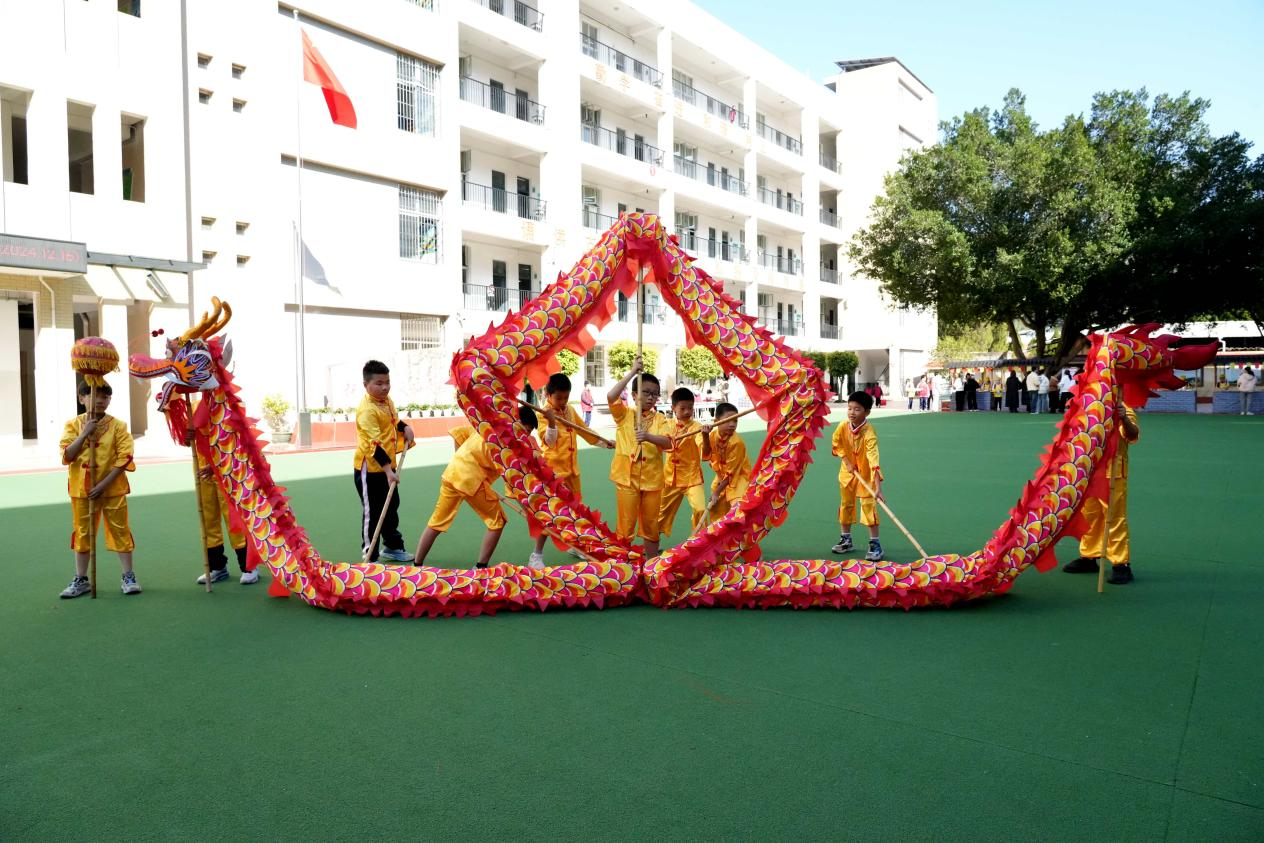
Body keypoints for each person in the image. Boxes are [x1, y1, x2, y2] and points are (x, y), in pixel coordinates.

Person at [415, 407, 539, 570]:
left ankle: (416, 565)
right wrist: (529, 511)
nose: (526, 436)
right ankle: (480, 567)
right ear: (515, 422)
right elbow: (513, 482)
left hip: (453, 473)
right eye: (525, 430)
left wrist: (462, 461)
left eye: (529, 433)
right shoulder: (507, 446)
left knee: (436, 521)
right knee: (498, 521)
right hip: (472, 480)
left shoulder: (486, 424)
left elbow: (459, 433)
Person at [58, 382, 141, 597]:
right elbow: (67, 455)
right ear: (81, 398)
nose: (100, 400)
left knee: (120, 529)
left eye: (105, 397)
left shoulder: (118, 426)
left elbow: (125, 456)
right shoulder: (72, 425)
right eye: (94, 395)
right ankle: (81, 579)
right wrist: (85, 433)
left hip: (112, 489)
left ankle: (128, 575)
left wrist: (104, 484)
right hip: (82, 490)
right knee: (83, 532)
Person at [528, 373, 613, 568]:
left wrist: (604, 443)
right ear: (548, 395)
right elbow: (549, 441)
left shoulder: (570, 410)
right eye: (559, 398)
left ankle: (575, 545)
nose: (563, 402)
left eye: (566, 397)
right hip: (554, 474)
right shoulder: (542, 413)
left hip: (572, 472)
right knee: (550, 515)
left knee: (576, 512)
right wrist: (551, 422)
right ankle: (536, 555)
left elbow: (584, 430)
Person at [1062, 398, 1141, 584]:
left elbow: (1132, 435)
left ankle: (1121, 564)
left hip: (1113, 473)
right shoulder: (1088, 406)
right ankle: (1089, 556)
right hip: (1089, 471)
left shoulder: (1122, 407)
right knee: (1089, 515)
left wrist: (1124, 419)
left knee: (1114, 517)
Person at [607, 357, 673, 557]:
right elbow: (611, 396)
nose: (651, 397)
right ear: (635, 395)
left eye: (655, 394)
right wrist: (632, 372)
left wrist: (648, 437)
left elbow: (669, 443)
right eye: (646, 392)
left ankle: (651, 563)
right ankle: (623, 565)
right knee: (625, 525)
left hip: (652, 480)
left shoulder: (661, 419)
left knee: (651, 524)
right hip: (627, 478)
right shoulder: (624, 414)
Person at [354, 360, 415, 564]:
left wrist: (404, 427)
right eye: (379, 383)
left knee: (391, 507)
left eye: (387, 382)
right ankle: (370, 555)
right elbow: (374, 445)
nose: (385, 387)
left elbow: (393, 421)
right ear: (366, 384)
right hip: (370, 469)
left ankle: (392, 546)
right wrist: (389, 471)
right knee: (373, 512)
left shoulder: (386, 401)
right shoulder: (367, 410)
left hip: (389, 466)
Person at [830, 391, 883, 561]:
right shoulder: (842, 426)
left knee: (868, 506)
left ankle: (875, 544)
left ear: (867, 412)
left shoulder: (869, 432)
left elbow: (873, 458)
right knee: (846, 505)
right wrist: (846, 461)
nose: (852, 412)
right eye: (850, 408)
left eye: (857, 409)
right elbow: (836, 443)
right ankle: (846, 540)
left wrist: (878, 487)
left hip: (866, 476)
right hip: (847, 474)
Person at [194, 445, 257, 585]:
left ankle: (249, 567)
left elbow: (233, 441)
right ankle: (217, 566)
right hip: (202, 469)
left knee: (234, 519)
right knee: (208, 520)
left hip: (226, 468)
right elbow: (188, 441)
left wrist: (215, 465)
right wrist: (187, 437)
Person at [657, 388, 706, 539]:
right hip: (670, 478)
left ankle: (699, 541)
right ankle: (653, 543)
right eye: (683, 408)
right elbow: (661, 444)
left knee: (701, 509)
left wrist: (705, 437)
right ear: (673, 408)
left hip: (691, 478)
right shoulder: (666, 425)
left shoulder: (697, 428)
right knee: (661, 512)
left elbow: (703, 448)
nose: (687, 412)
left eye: (690, 408)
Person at [701, 402, 751, 522]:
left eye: (735, 421)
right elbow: (707, 454)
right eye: (728, 420)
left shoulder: (736, 442)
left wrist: (717, 492)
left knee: (737, 509)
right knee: (716, 509)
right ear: (716, 421)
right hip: (722, 477)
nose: (732, 424)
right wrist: (705, 436)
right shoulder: (713, 435)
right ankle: (720, 534)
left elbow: (732, 473)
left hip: (739, 478)